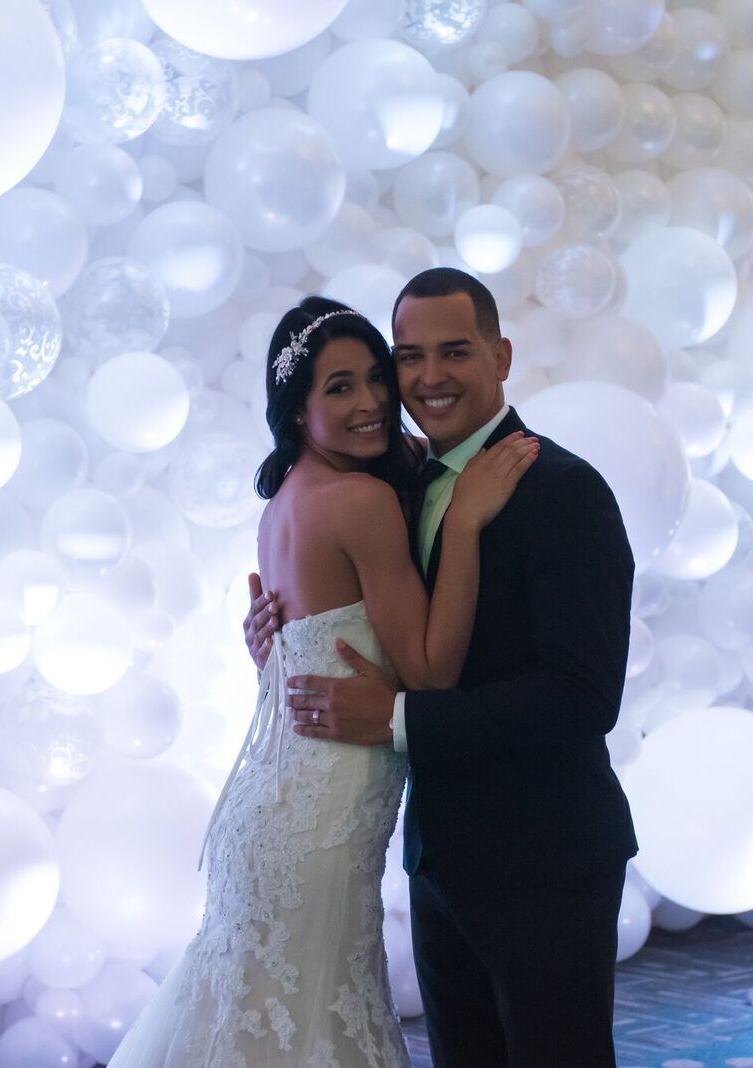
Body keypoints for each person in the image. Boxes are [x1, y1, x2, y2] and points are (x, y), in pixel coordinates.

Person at [107, 296, 536, 1068]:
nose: (372, 401)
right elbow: (433, 671)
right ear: (296, 409)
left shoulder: (283, 502)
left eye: (377, 377)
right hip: (320, 823)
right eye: (339, 388)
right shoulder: (363, 501)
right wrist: (466, 523)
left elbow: (298, 650)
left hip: (272, 812)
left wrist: (263, 653)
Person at [245, 268, 638, 1067]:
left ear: (500, 355)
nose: (427, 379)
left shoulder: (564, 491)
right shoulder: (399, 477)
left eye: (454, 352)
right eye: (409, 357)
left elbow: (581, 697)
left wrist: (395, 719)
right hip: (437, 855)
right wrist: (280, 638)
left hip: (544, 860)